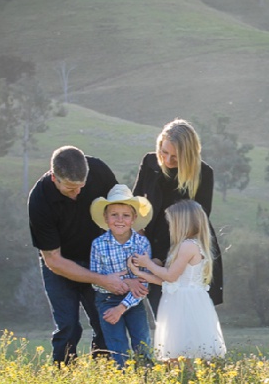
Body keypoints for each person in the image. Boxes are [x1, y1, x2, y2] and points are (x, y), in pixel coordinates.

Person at [28, 145, 145, 364]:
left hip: (100, 260)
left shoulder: (98, 171)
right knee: (68, 326)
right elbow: (53, 260)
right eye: (71, 188)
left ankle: (103, 377)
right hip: (61, 265)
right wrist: (102, 280)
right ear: (54, 178)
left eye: (81, 186)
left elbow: (124, 210)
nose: (77, 193)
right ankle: (64, 378)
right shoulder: (39, 200)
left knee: (105, 322)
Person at [132, 119, 223, 309]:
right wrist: (142, 243)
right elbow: (135, 205)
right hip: (148, 250)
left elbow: (197, 224)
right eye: (164, 152)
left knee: (185, 317)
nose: (167, 160)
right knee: (164, 320)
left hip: (183, 255)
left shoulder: (203, 173)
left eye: (176, 156)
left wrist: (163, 259)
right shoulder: (150, 162)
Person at [128, 200, 226, 362]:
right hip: (179, 298)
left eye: (171, 222)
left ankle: (188, 380)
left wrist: (148, 264)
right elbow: (172, 283)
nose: (169, 226)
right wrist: (141, 273)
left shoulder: (188, 246)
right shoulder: (185, 245)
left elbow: (170, 276)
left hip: (184, 303)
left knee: (184, 346)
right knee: (179, 349)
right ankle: (183, 381)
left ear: (182, 223)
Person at [88, 183, 154, 368]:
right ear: (106, 218)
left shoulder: (141, 244)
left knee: (142, 343)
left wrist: (122, 307)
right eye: (114, 215)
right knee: (117, 346)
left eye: (125, 215)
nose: (120, 220)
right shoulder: (98, 245)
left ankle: (147, 381)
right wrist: (128, 280)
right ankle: (124, 383)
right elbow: (96, 281)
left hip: (134, 301)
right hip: (107, 300)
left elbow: (143, 284)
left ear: (133, 218)